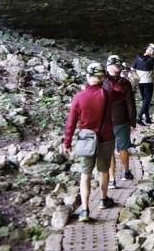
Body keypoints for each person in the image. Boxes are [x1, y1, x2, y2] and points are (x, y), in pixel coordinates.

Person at [62, 62, 116, 222]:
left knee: (85, 175)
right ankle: (103, 200)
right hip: (105, 138)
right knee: (103, 171)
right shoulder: (107, 94)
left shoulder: (78, 97)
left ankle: (85, 210)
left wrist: (67, 142)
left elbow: (70, 123)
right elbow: (115, 89)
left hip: (85, 140)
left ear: (87, 77)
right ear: (102, 78)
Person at [103, 55, 136, 189]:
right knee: (123, 147)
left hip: (105, 121)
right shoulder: (125, 83)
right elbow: (130, 104)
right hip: (121, 119)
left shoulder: (101, 81)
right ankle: (126, 172)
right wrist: (132, 121)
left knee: (109, 150)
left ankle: (111, 180)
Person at [132, 43, 154, 125]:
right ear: (151, 51)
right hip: (148, 83)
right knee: (147, 101)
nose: (153, 52)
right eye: (153, 51)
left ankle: (147, 118)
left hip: (140, 83)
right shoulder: (151, 60)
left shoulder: (138, 57)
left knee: (144, 101)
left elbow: (132, 68)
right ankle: (139, 117)